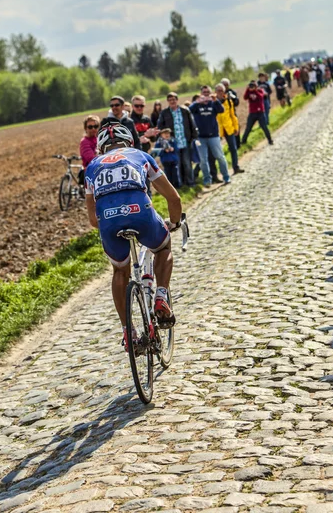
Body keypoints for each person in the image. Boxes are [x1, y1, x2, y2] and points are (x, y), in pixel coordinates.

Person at [85, 123, 182, 350]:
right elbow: (173, 198)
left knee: (120, 270)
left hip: (108, 221)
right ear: (130, 142)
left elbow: (92, 219)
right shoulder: (140, 155)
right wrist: (175, 221)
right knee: (162, 247)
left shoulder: (91, 167)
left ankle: (128, 331)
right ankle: (160, 296)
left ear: (100, 147)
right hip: (141, 213)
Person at [189, 85, 231, 187]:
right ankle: (207, 180)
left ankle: (226, 177)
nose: (206, 94)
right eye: (204, 92)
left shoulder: (213, 103)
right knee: (203, 160)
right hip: (200, 137)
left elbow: (221, 110)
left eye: (208, 92)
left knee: (220, 157)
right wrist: (197, 102)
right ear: (201, 93)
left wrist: (215, 100)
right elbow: (189, 109)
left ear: (211, 93)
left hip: (213, 136)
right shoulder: (197, 105)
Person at [158, 92, 198, 186]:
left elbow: (192, 124)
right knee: (177, 165)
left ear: (177, 100)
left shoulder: (185, 110)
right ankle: (179, 184)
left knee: (187, 163)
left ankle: (191, 182)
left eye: (174, 99)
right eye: (170, 100)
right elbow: (160, 127)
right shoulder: (164, 113)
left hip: (185, 141)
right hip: (173, 144)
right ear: (168, 101)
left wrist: (194, 137)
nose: (172, 101)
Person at [215, 83, 244, 174]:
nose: (220, 92)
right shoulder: (213, 102)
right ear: (215, 92)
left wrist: (236, 127)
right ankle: (215, 174)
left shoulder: (228, 101)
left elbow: (233, 115)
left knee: (233, 148)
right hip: (217, 129)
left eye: (222, 90)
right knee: (214, 152)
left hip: (229, 127)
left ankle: (236, 167)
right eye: (218, 90)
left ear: (224, 91)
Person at [242, 80, 273, 146]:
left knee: (264, 127)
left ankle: (270, 140)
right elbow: (245, 97)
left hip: (260, 113)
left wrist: (255, 90)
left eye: (253, 85)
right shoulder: (249, 91)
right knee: (248, 128)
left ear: (256, 86)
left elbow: (260, 97)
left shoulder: (260, 90)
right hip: (252, 113)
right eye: (251, 85)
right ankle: (243, 141)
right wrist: (247, 89)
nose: (252, 87)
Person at [221, 77, 241, 149]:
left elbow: (237, 102)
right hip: (223, 115)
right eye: (224, 84)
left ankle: (238, 144)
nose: (225, 86)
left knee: (236, 127)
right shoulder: (219, 93)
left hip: (232, 113)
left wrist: (232, 98)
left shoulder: (232, 92)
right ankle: (231, 145)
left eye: (226, 85)